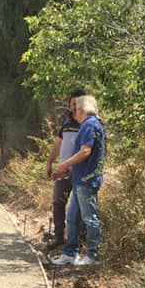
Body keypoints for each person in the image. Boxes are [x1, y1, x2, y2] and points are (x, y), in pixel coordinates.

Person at [51, 94, 106, 268]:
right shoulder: (92, 124)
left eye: (76, 109)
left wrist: (64, 164)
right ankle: (70, 253)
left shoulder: (89, 125)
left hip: (86, 181)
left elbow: (85, 151)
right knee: (72, 216)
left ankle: (93, 255)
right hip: (80, 180)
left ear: (82, 110)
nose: (75, 113)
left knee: (90, 218)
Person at [44, 90, 82, 251]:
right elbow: (58, 143)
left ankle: (82, 240)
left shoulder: (89, 122)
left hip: (81, 171)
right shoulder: (66, 121)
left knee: (81, 205)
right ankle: (59, 237)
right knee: (58, 202)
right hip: (62, 171)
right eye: (72, 103)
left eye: (78, 103)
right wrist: (50, 162)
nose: (74, 107)